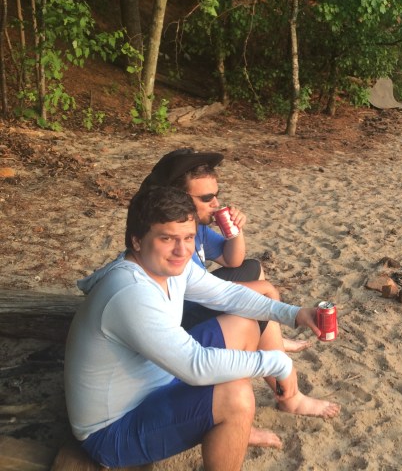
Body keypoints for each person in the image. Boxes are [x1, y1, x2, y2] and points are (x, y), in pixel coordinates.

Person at [64, 186, 340, 470]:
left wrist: (294, 313)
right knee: (236, 397)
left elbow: (227, 295)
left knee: (243, 324)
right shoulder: (130, 292)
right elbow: (195, 366)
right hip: (113, 430)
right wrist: (276, 362)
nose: (181, 250)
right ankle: (232, 423)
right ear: (136, 240)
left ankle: (233, 430)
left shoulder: (168, 266)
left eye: (188, 237)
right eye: (166, 238)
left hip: (156, 381)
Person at [139, 148, 308, 352]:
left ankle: (273, 341)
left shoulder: (198, 228)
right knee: (263, 292)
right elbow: (194, 292)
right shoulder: (167, 240)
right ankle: (274, 346)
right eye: (206, 198)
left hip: (198, 295)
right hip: (179, 314)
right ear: (179, 199)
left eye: (217, 196)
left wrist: (235, 231)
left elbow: (233, 261)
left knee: (253, 268)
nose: (216, 204)